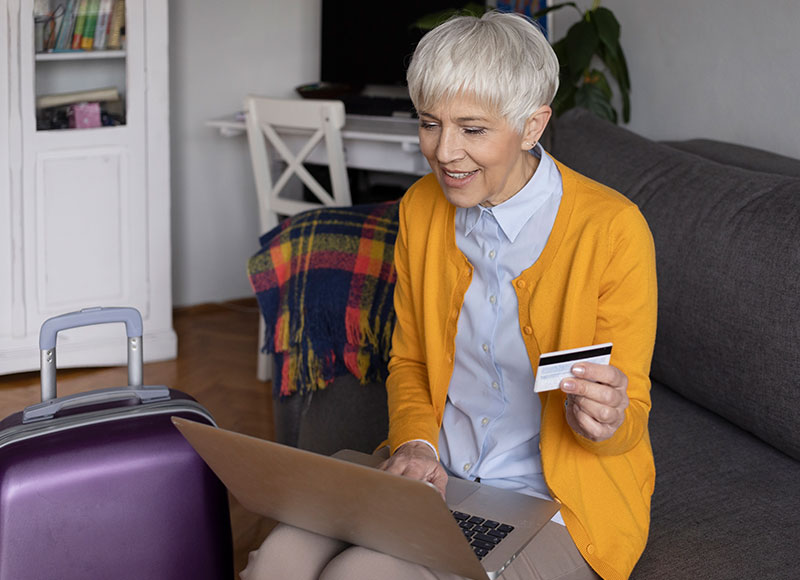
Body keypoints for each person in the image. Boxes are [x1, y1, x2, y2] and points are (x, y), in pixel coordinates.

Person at [241, 10, 657, 580]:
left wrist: (604, 422)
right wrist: (416, 445)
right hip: (439, 477)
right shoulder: (421, 208)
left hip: (554, 505)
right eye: (429, 123)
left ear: (532, 127)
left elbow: (629, 410)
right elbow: (409, 358)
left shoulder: (611, 229)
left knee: (363, 575)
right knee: (277, 560)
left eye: (473, 129)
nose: (444, 151)